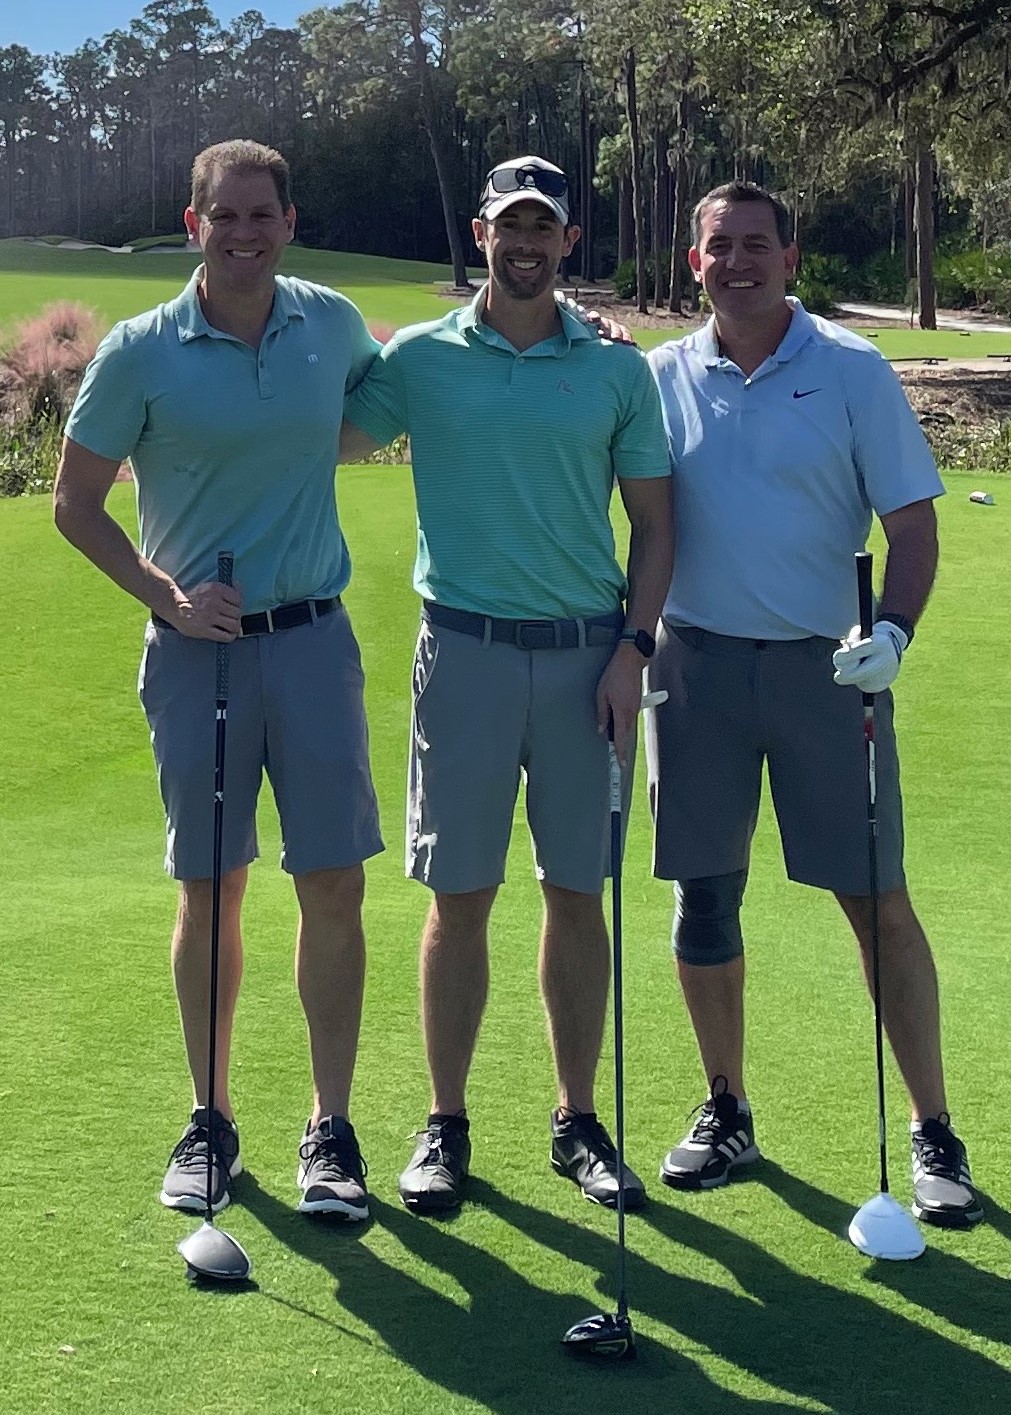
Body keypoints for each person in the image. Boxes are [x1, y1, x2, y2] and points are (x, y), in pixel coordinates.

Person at [54, 140, 385, 1223]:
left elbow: (394, 401)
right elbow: (77, 503)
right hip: (197, 650)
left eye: (263, 215)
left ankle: (329, 1126)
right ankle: (211, 1116)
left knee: (334, 880)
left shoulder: (329, 323)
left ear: (290, 220)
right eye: (223, 216)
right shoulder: (143, 351)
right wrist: (166, 596)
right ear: (192, 225)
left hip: (314, 641)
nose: (244, 233)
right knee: (213, 883)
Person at [643, 180, 981, 1228]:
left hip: (828, 670)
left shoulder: (849, 368)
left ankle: (932, 1128)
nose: (736, 262)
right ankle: (728, 1104)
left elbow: (914, 528)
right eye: (717, 247)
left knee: (875, 897)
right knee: (705, 896)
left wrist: (894, 635)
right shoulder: (659, 376)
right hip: (693, 660)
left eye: (755, 244)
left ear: (792, 256)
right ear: (691, 261)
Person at [340, 156, 674, 1215]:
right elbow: (327, 432)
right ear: (479, 234)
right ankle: (445, 1123)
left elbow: (658, 526)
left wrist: (636, 649)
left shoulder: (620, 370)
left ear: (568, 242)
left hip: (591, 660)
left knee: (578, 892)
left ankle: (577, 1119)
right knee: (461, 897)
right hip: (466, 654)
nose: (524, 242)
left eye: (544, 227)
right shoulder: (424, 358)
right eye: (506, 225)